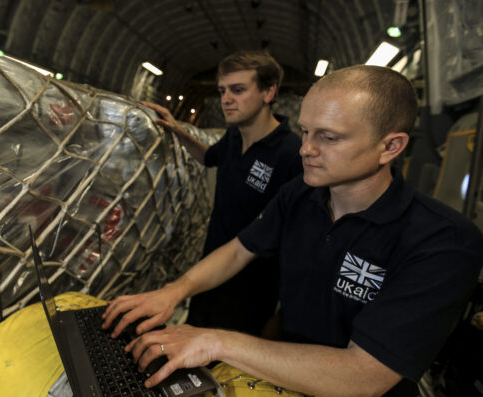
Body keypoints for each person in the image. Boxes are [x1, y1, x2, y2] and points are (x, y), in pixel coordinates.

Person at [102, 65, 483, 396]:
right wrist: (173, 292)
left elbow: (366, 375)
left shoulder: (444, 242)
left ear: (390, 147)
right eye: (305, 132)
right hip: (279, 376)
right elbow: (240, 248)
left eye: (328, 137)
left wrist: (215, 341)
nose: (306, 149)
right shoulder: (302, 193)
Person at [141, 50, 302, 337]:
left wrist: (283, 311)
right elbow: (209, 157)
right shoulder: (233, 136)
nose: (226, 99)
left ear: (268, 92)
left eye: (238, 90)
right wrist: (177, 130)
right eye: (222, 91)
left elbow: (298, 237)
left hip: (251, 289)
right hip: (208, 273)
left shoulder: (291, 154)